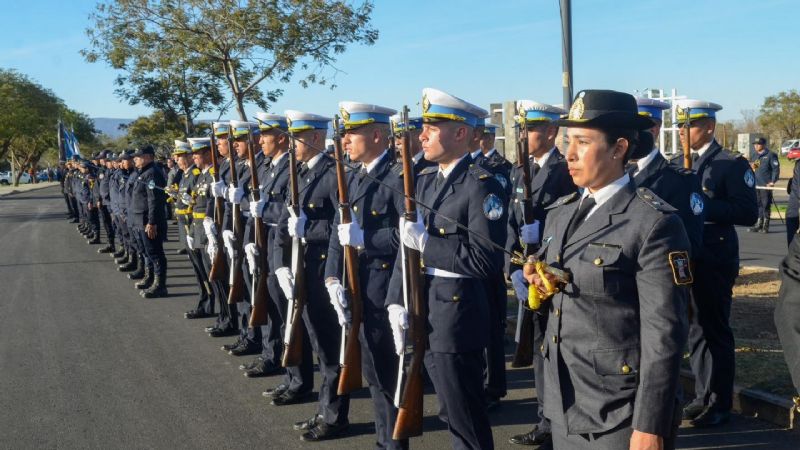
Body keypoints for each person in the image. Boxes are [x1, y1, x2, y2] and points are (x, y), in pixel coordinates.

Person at [521, 89, 690, 449]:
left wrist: (650, 424)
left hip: (619, 413)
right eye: (568, 141)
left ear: (619, 148)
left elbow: (665, 333)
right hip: (564, 400)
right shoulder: (560, 213)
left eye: (582, 141)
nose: (569, 153)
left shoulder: (652, 223)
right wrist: (542, 281)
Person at [386, 87, 506, 449]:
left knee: (464, 415)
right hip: (425, 306)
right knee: (449, 413)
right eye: (423, 126)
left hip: (457, 314)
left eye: (432, 127)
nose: (421, 134)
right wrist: (396, 299)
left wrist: (428, 245)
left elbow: (485, 260)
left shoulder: (481, 186)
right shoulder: (424, 181)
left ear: (461, 133)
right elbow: (406, 252)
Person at [325, 101, 407, 449]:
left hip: (384, 288)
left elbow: (409, 237)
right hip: (357, 286)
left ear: (376, 135)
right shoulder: (354, 175)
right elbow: (336, 233)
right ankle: (382, 441)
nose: (344, 142)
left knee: (387, 375)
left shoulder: (399, 176)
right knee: (372, 372)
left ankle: (392, 444)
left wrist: (366, 240)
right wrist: (331, 278)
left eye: (351, 135)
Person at [676, 99, 758, 428]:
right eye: (681, 126)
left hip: (715, 255)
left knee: (715, 329)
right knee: (695, 329)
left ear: (709, 127)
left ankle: (720, 402)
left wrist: (702, 206)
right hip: (688, 255)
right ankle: (702, 395)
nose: (684, 133)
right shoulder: (678, 163)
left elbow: (747, 212)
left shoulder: (729, 163)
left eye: (690, 126)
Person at [274, 110, 350, 441]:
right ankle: (323, 408)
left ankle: (333, 416)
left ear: (316, 138)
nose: (291, 146)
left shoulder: (335, 174)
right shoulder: (301, 173)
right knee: (318, 344)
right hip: (302, 269)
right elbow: (284, 223)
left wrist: (310, 229)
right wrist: (280, 263)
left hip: (323, 271)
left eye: (296, 138)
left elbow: (341, 227)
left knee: (330, 349)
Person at [506, 99, 575, 449]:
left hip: (551, 274)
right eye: (522, 129)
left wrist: (543, 242)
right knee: (536, 350)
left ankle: (560, 423)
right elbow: (510, 223)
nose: (525, 135)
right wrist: (512, 268)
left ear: (551, 132)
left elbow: (571, 225)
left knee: (554, 349)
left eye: (531, 129)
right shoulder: (521, 171)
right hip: (528, 272)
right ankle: (544, 419)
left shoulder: (565, 171)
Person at [246, 112, 309, 386]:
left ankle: (299, 379)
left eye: (266, 136)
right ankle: (281, 365)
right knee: (273, 307)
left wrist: (266, 209)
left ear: (282, 139)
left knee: (289, 315)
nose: (260, 141)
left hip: (285, 244)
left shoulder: (292, 168)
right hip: (269, 239)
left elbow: (287, 208)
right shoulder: (270, 167)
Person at [129, 144, 169, 298]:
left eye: (138, 157)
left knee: (155, 253)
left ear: (147, 157)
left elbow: (154, 201)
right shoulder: (143, 173)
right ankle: (151, 278)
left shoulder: (152, 174)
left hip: (148, 221)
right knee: (147, 251)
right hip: (140, 219)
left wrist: (152, 222)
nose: (135, 159)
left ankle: (160, 285)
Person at [749, 137, 780, 233]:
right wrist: (752, 166)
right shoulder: (755, 155)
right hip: (756, 184)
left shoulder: (771, 155)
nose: (756, 146)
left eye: (758, 144)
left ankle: (765, 226)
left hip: (766, 185)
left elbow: (776, 169)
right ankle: (759, 224)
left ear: (763, 145)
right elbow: (755, 167)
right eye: (755, 144)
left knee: (765, 204)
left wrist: (773, 181)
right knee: (758, 204)